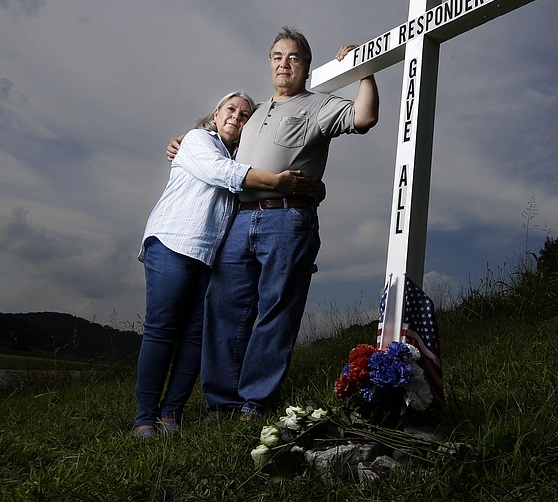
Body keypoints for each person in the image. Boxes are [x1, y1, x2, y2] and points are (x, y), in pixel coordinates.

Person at [170, 27, 379, 419]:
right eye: (277, 57)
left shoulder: (319, 105)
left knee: (276, 308)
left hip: (288, 217)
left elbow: (365, 117)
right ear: (270, 64)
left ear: (306, 66)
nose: (285, 64)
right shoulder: (256, 113)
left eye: (294, 57)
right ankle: (221, 402)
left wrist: (364, 71)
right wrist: (183, 143)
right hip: (238, 219)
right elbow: (221, 145)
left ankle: (255, 402)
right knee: (223, 306)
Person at [133, 90, 315, 439]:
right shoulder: (198, 140)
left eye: (246, 114)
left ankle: (171, 414)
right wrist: (276, 182)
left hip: (209, 257)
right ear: (216, 114)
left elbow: (241, 181)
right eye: (231, 109)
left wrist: (306, 190)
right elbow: (222, 172)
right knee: (162, 329)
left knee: (194, 337)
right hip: (173, 243)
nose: (237, 116)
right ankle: (144, 418)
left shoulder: (238, 157)